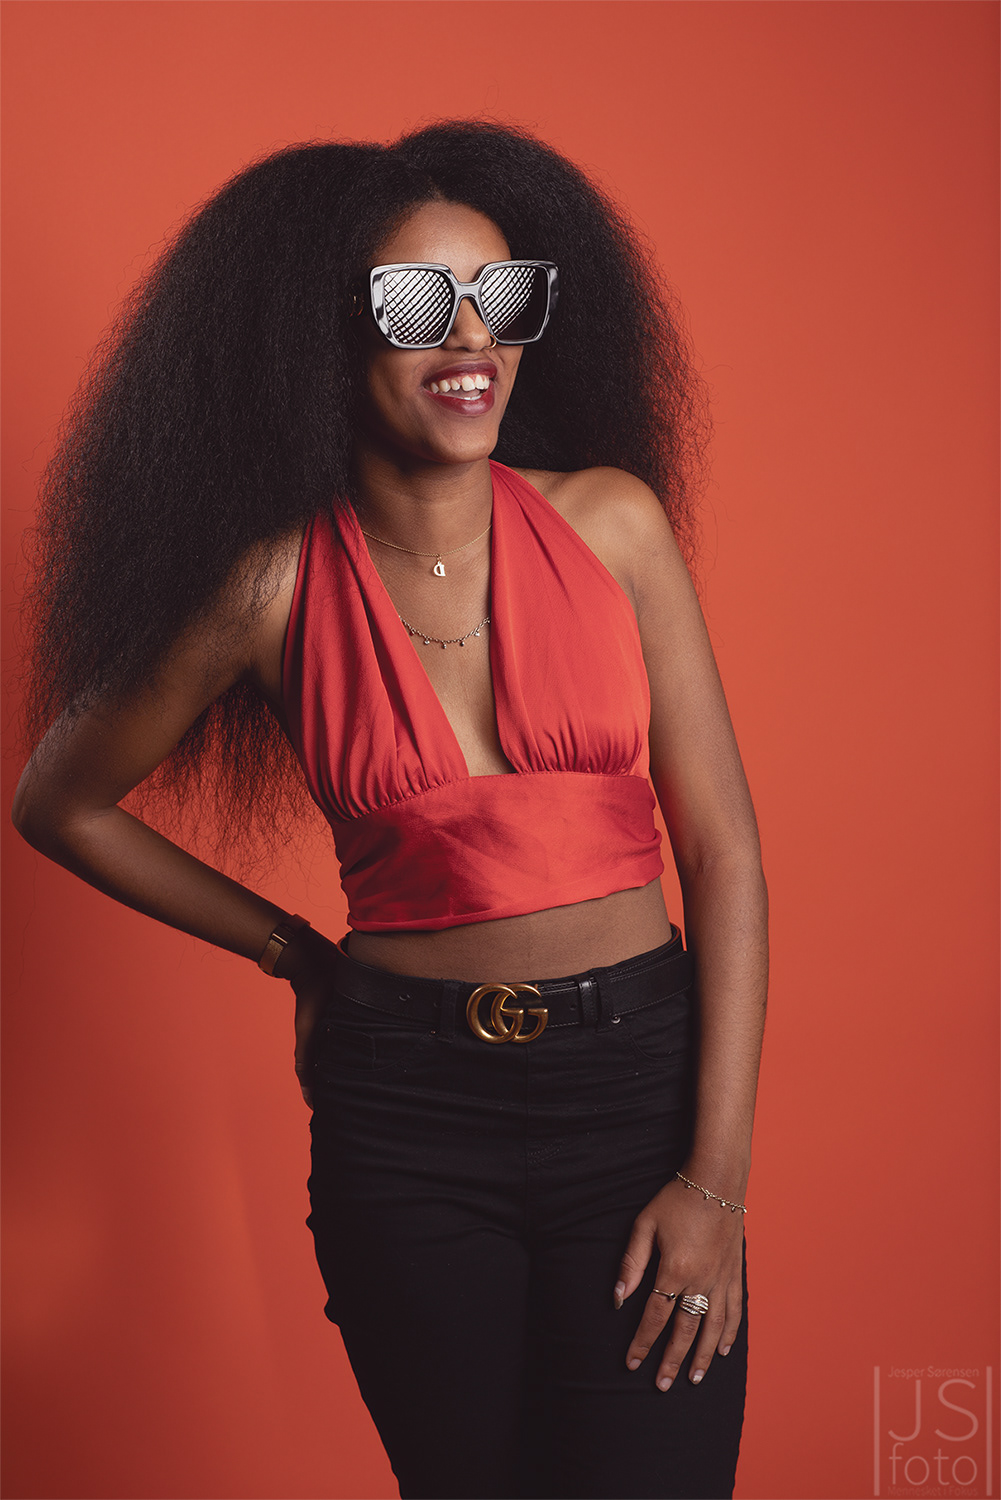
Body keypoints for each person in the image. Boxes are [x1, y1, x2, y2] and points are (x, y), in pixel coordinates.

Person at [13, 121, 767, 1500]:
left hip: (635, 1096)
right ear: (324, 337)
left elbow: (722, 856)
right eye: (417, 302)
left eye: (502, 295)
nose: (469, 339)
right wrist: (292, 953)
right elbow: (60, 800)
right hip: (407, 1119)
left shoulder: (613, 526)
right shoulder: (269, 585)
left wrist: (714, 1181)